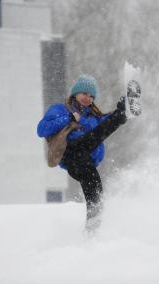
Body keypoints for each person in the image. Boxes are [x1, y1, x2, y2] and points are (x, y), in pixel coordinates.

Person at [37, 74, 128, 232]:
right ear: (75, 93)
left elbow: (103, 123)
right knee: (94, 136)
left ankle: (93, 230)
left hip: (85, 160)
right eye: (85, 94)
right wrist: (69, 117)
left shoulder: (92, 116)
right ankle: (93, 229)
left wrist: (118, 112)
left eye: (92, 96)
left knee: (96, 190)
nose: (88, 98)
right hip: (70, 153)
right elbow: (41, 129)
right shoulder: (60, 109)